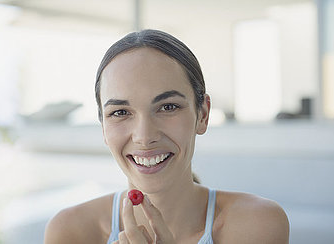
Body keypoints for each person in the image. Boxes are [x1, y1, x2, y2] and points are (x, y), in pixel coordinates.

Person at [44, 29, 289, 244]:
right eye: (120, 112)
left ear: (202, 114)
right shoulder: (71, 231)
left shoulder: (256, 224)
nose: (144, 136)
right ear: (103, 128)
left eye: (168, 107)